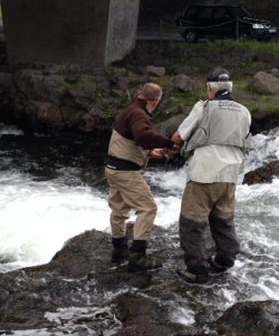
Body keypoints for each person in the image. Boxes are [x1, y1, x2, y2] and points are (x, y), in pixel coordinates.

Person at [171, 67, 252, 284]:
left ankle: (198, 270)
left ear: (209, 88)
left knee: (192, 223)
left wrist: (169, 147)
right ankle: (225, 260)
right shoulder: (244, 111)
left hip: (205, 172)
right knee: (223, 219)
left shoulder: (204, 107)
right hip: (231, 174)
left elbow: (179, 136)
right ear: (230, 87)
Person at [105, 83, 176, 272]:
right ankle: (137, 256)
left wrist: (152, 152)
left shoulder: (130, 109)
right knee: (148, 208)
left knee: (119, 209)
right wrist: (169, 143)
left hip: (112, 167)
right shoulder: (139, 114)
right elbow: (142, 136)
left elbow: (130, 141)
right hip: (125, 171)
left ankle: (119, 249)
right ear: (155, 101)